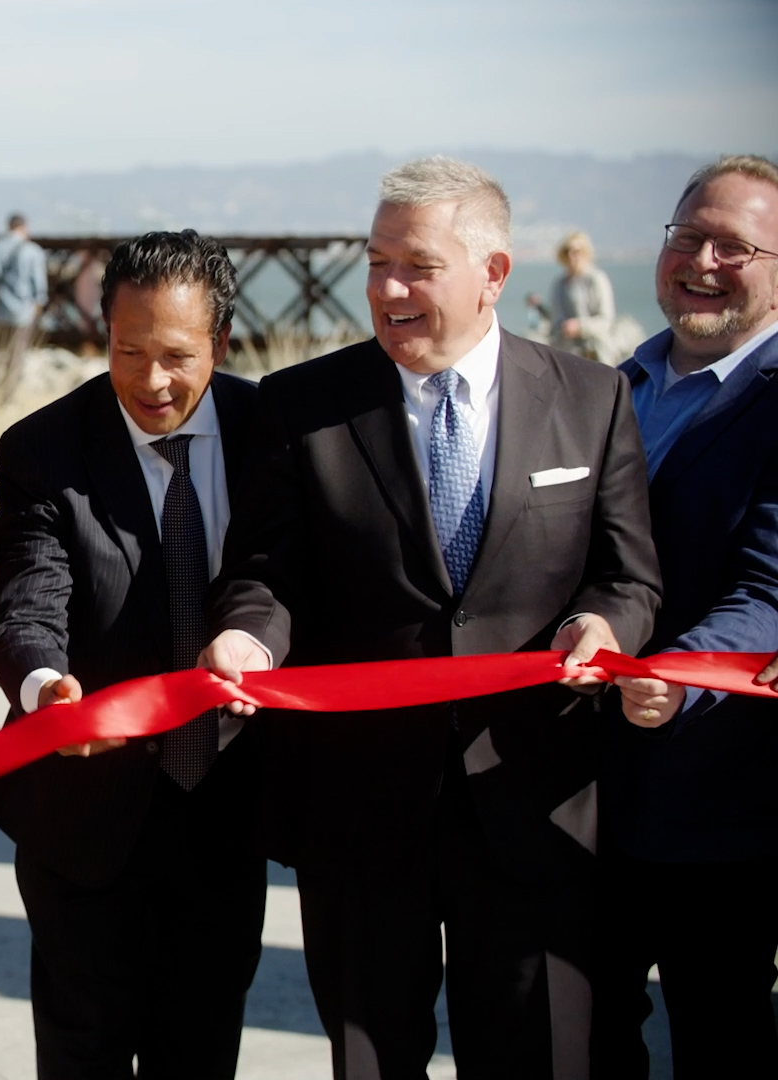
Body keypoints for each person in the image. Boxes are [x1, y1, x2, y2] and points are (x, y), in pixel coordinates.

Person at [200, 157, 660, 1078]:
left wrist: (607, 630)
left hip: (534, 796)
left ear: (494, 274)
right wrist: (248, 635)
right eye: (374, 263)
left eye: (415, 265)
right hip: (363, 804)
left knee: (534, 1055)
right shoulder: (303, 405)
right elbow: (265, 574)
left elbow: (629, 577)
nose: (387, 288)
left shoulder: (591, 397)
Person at [0, 230, 263, 1079]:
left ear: (221, 341)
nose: (150, 380)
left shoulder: (269, 432)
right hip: (85, 815)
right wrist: (44, 688)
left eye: (177, 355)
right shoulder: (45, 450)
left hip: (226, 806)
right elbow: (26, 601)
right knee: (82, 1053)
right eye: (127, 350)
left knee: (202, 1052)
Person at [596, 154, 778, 1078]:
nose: (701, 260)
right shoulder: (612, 385)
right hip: (588, 794)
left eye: (734, 246)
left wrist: (686, 674)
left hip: (724, 800)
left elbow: (772, 591)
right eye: (685, 237)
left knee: (722, 1037)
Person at [0, 212, 47, 403]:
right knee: (16, 357)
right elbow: (39, 287)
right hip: (22, 313)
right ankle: (7, 398)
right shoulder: (33, 251)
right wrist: (37, 309)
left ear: (8, 226)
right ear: (24, 227)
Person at [548, 230, 620, 364]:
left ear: (586, 253)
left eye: (576, 251)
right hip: (568, 353)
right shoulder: (559, 283)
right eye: (567, 251)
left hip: (598, 352)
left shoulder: (597, 279)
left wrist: (580, 327)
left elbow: (607, 320)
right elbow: (555, 319)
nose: (571, 256)